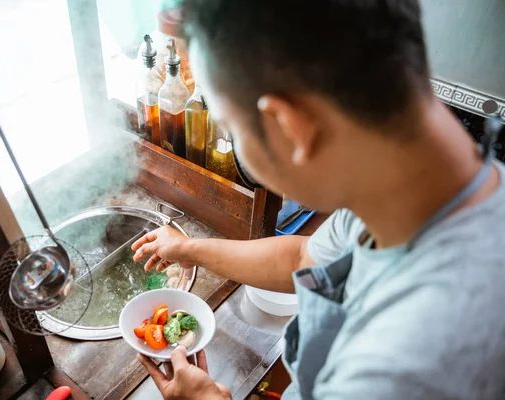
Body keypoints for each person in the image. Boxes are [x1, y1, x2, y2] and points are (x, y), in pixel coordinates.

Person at [132, 0, 505, 399]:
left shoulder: (399, 369)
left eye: (230, 129)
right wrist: (189, 249)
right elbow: (302, 258)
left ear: (291, 129)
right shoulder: (398, 198)